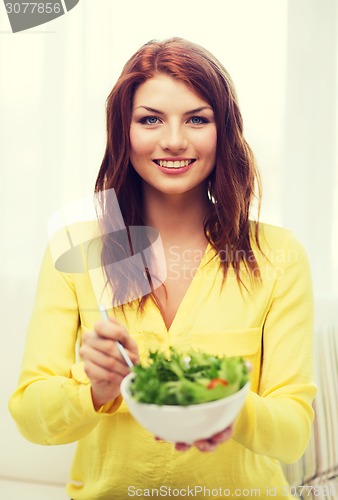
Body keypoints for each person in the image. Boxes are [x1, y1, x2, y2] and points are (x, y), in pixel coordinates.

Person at [8, 37, 317, 499]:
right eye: (150, 119)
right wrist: (93, 388)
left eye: (197, 119)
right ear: (123, 131)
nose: (174, 140)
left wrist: (225, 406)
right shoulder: (76, 252)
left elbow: (293, 435)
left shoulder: (277, 255)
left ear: (224, 131)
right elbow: (32, 418)